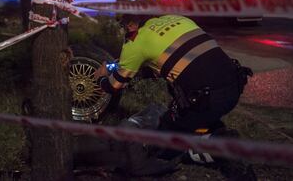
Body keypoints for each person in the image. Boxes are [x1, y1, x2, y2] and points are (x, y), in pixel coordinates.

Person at [94, 14, 256, 178]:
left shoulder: (136, 42)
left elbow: (114, 86)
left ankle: (221, 148)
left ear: (129, 25)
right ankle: (213, 131)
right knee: (193, 115)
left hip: (208, 99)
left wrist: (101, 77)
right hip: (234, 85)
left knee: (164, 145)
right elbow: (175, 61)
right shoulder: (177, 19)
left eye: (122, 26)